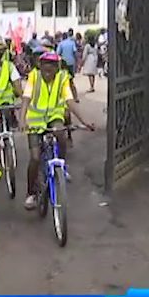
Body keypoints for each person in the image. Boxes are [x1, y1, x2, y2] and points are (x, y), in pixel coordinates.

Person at [18, 52, 95, 210]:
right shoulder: (34, 76)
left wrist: (84, 121)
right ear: (40, 66)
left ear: (57, 68)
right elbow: (26, 98)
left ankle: (61, 165)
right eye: (45, 65)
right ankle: (30, 193)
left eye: (52, 66)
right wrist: (22, 119)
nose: (48, 69)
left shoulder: (62, 78)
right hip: (35, 120)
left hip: (54, 116)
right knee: (35, 158)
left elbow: (69, 101)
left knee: (61, 134)